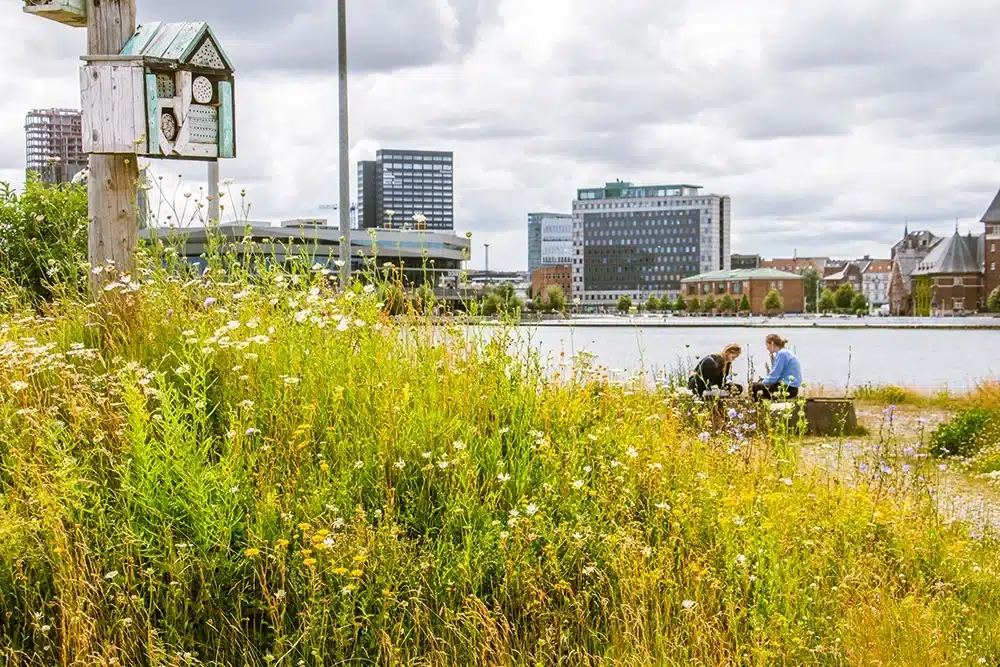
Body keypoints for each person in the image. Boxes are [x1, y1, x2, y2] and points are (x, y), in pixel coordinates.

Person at [752, 334, 802, 401]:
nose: (767, 348)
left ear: (772, 343)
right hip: (791, 388)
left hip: (787, 389)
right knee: (760, 384)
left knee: (754, 387)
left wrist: (762, 382)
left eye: (767, 346)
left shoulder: (781, 354)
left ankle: (758, 408)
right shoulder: (786, 352)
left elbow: (774, 376)